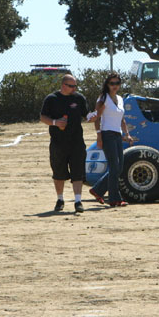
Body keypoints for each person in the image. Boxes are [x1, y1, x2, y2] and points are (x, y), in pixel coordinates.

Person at [40, 74, 90, 213]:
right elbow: (43, 117)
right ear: (63, 85)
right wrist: (55, 123)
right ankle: (60, 199)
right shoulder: (52, 99)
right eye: (71, 86)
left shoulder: (79, 98)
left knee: (78, 172)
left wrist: (93, 116)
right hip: (58, 143)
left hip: (77, 142)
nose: (74, 88)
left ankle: (78, 201)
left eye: (75, 86)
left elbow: (87, 115)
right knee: (58, 172)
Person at [89, 73, 133, 207]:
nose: (115, 86)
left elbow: (122, 118)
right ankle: (114, 198)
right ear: (107, 84)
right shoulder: (103, 98)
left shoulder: (120, 99)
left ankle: (97, 190)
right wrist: (99, 136)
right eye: (112, 83)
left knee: (119, 167)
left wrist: (127, 134)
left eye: (117, 83)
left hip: (117, 134)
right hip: (106, 134)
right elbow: (97, 118)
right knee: (114, 166)